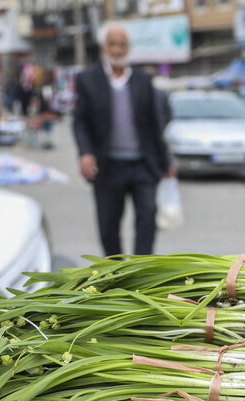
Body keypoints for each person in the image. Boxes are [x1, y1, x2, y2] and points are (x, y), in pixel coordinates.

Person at [73, 24, 175, 257]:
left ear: (128, 48)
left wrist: (166, 161)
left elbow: (154, 124)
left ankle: (141, 271)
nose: (117, 50)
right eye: (112, 44)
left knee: (148, 217)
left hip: (143, 165)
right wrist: (85, 153)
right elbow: (80, 121)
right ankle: (116, 273)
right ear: (103, 47)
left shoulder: (142, 80)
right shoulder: (88, 79)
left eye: (122, 45)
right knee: (108, 227)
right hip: (107, 167)